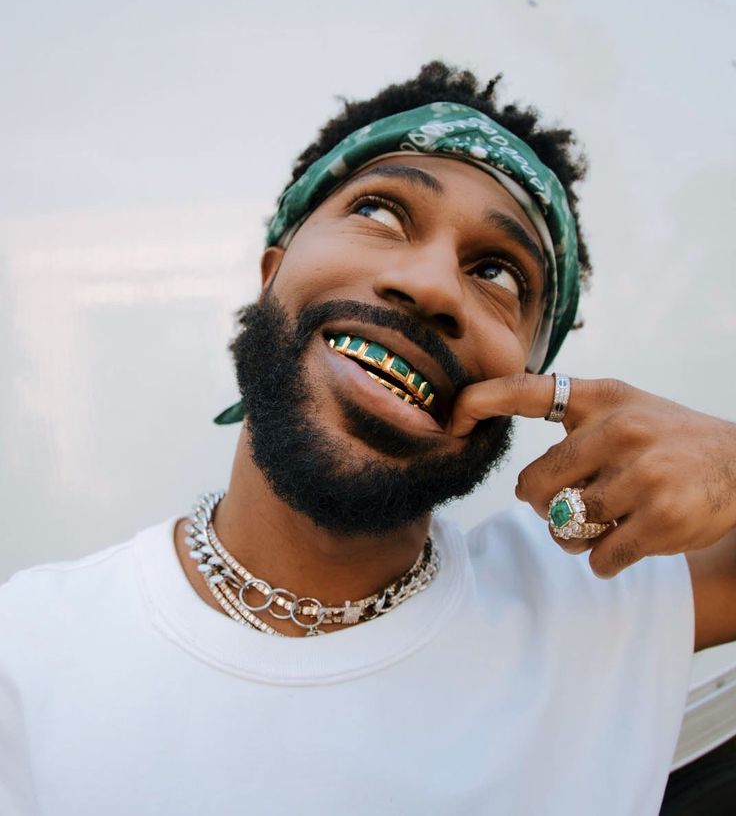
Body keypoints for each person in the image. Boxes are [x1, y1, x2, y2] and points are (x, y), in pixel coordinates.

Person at [1, 61, 735, 816]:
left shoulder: (595, 609)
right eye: (383, 213)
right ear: (271, 273)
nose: (431, 285)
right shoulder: (29, 652)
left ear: (525, 379)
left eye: (498, 273)